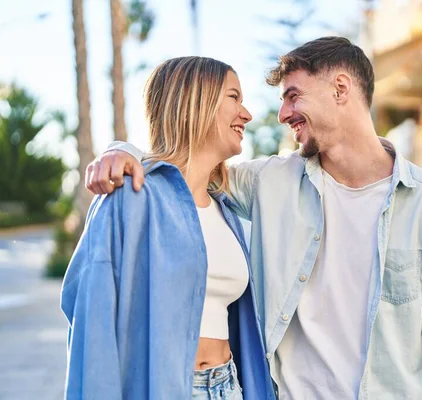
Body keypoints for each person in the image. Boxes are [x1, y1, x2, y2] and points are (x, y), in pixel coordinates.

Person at [87, 37, 422, 399]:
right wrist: (120, 151)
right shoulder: (270, 182)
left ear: (340, 88)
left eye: (292, 96)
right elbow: (185, 166)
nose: (281, 114)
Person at [61, 56, 274, 400]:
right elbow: (90, 320)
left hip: (229, 386)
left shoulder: (227, 209)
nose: (246, 114)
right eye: (234, 97)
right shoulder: (131, 197)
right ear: (195, 103)